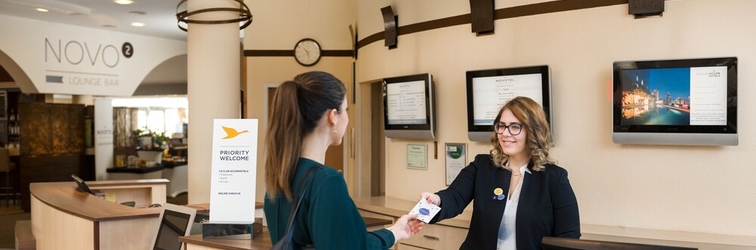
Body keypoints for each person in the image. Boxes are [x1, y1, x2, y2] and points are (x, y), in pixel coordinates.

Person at [264, 71, 423, 249]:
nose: (347, 118)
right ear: (333, 116)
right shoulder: (326, 181)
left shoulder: (279, 177)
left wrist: (394, 232)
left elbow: (348, 242)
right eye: (345, 109)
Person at [419, 96, 580, 250]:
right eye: (502, 125)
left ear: (533, 131)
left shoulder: (554, 179)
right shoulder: (481, 166)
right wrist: (436, 200)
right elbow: (453, 197)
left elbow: (568, 238)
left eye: (515, 127)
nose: (505, 133)